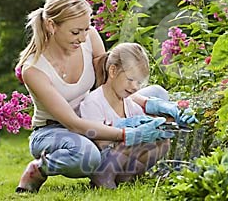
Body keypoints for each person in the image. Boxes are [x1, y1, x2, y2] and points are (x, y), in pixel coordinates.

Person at [14, 0, 183, 193]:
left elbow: (109, 87)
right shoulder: (34, 69)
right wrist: (129, 134)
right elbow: (73, 123)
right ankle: (39, 168)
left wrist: (150, 104)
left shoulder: (90, 38)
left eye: (86, 29)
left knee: (157, 93)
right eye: (76, 32)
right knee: (87, 156)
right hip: (56, 130)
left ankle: (111, 170)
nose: (84, 37)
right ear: (51, 25)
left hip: (92, 113)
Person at [79, 42, 197, 188]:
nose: (135, 87)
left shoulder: (128, 102)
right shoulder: (94, 102)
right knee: (132, 139)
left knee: (161, 141)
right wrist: (128, 128)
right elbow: (99, 142)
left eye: (139, 82)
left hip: (119, 159)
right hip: (100, 158)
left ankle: (127, 176)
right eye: (130, 79)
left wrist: (170, 121)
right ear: (113, 71)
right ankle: (103, 175)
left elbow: (147, 125)